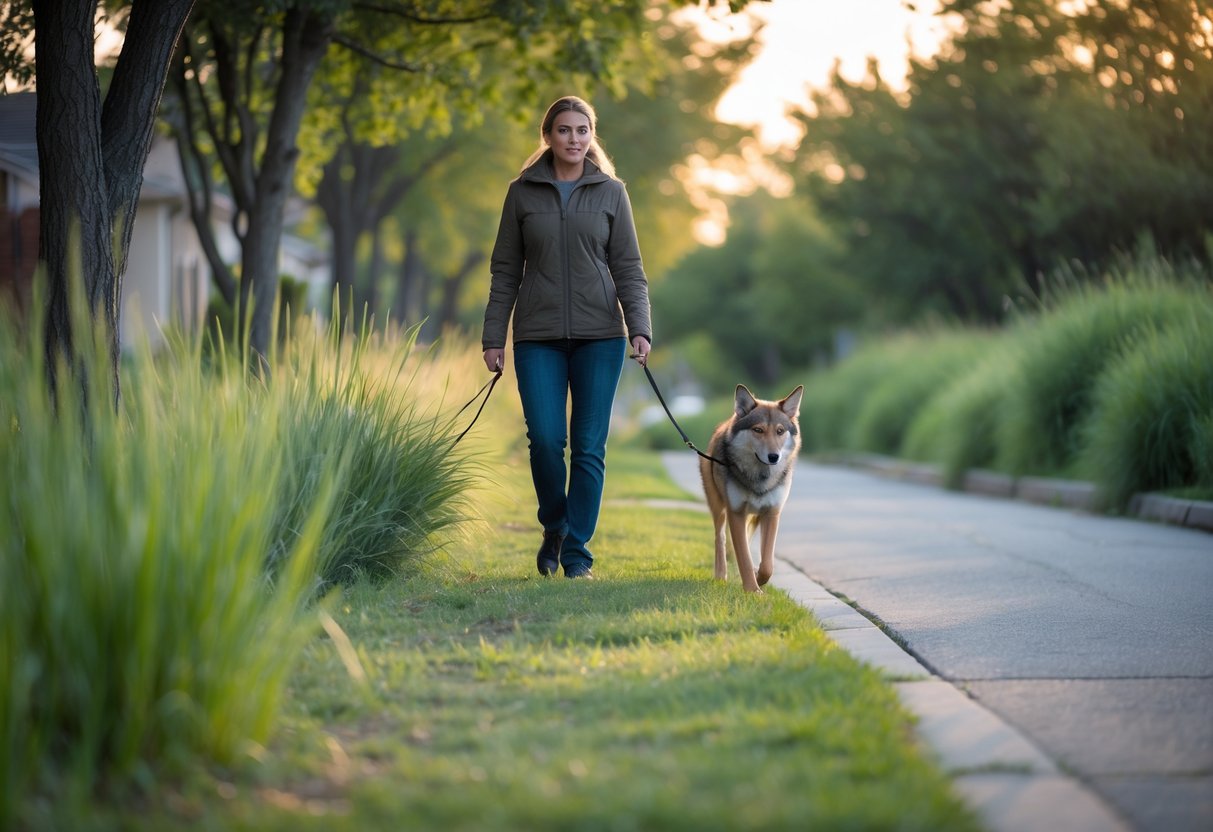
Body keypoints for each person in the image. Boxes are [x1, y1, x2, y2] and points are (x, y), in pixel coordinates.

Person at [481, 95, 652, 580]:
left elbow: (628, 267)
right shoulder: (522, 193)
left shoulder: (612, 192)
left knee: (589, 446)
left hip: (602, 336)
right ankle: (554, 525)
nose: (573, 139)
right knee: (545, 440)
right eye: (564, 130)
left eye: (582, 130)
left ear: (591, 136)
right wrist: (494, 336)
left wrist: (639, 327)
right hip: (537, 336)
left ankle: (577, 553)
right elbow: (505, 270)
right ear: (548, 136)